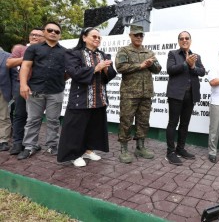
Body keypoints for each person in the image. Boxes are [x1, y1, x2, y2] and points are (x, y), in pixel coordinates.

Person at [57, 27, 116, 167]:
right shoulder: (73, 53)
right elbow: (74, 72)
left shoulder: (103, 54)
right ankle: (74, 154)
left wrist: (107, 69)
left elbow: (111, 75)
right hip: (81, 98)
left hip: (99, 98)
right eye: (94, 36)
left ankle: (88, 151)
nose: (97, 39)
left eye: (99, 37)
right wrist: (96, 68)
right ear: (84, 37)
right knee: (76, 128)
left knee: (94, 127)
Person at [17, 22, 67, 160]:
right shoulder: (33, 49)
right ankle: (29, 146)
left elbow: (68, 72)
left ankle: (52, 145)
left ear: (60, 35)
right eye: (50, 30)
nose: (53, 33)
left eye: (57, 31)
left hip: (56, 91)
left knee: (53, 120)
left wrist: (62, 80)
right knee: (33, 119)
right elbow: (25, 67)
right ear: (44, 32)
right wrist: (23, 84)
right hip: (35, 89)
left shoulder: (65, 52)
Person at [115, 25, 161, 164]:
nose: (139, 37)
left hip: (146, 93)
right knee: (126, 121)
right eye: (136, 35)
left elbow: (158, 69)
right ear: (130, 35)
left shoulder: (149, 52)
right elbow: (120, 67)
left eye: (141, 35)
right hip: (129, 93)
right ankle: (124, 149)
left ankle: (140, 147)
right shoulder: (124, 51)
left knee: (143, 121)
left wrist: (150, 64)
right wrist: (140, 66)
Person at [165, 31, 205, 166]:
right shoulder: (173, 54)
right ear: (178, 41)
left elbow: (202, 72)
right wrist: (185, 64)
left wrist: (193, 66)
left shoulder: (196, 56)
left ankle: (180, 149)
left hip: (191, 95)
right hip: (176, 95)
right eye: (181, 38)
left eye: (187, 38)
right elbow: (170, 69)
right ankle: (170, 152)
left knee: (184, 124)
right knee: (173, 123)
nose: (184, 40)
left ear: (190, 40)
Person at [6, 28, 45, 155]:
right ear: (29, 37)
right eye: (33, 35)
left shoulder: (46, 51)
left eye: (38, 35)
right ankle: (17, 143)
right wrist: (27, 57)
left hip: (39, 86)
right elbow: (9, 63)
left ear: (44, 38)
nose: (35, 37)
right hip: (21, 84)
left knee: (34, 117)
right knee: (20, 114)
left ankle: (31, 143)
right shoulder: (20, 49)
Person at [0, 48, 17, 151]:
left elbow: (14, 75)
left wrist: (15, 92)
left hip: (2, 89)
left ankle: (3, 141)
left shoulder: (8, 56)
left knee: (3, 115)